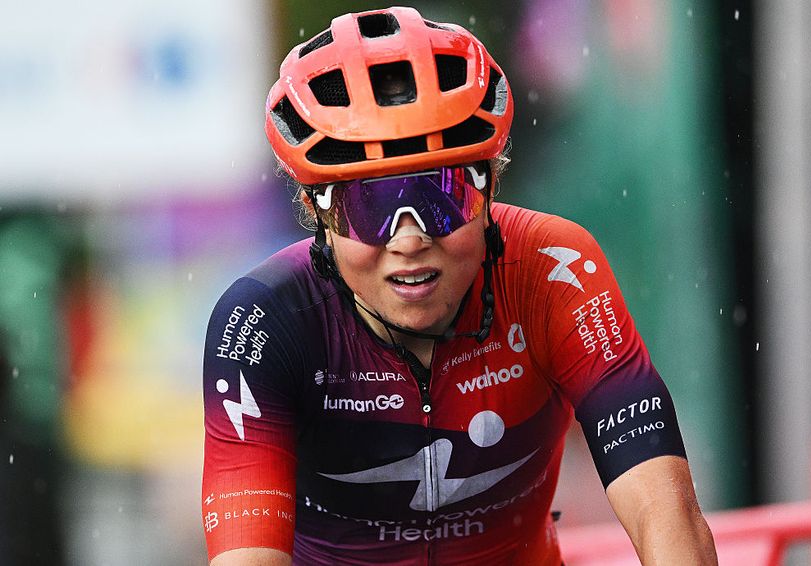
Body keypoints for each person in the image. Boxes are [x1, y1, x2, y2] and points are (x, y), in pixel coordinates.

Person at [201, 7, 717, 565]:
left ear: (489, 186)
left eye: (440, 195)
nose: (409, 240)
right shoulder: (262, 323)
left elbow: (665, 510)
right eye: (370, 206)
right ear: (317, 212)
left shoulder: (554, 270)